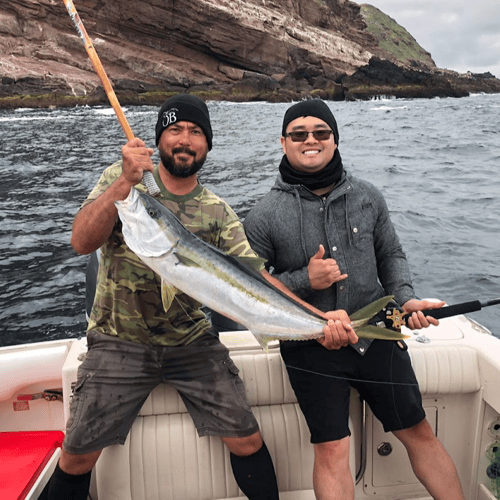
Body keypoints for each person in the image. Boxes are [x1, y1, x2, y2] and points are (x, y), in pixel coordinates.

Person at [39, 95, 353, 500]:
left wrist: (320, 320)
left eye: (196, 132)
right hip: (119, 341)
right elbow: (82, 242)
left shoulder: (217, 211)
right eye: (175, 130)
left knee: (246, 439)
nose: (185, 140)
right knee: (77, 454)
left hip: (191, 342)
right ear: (159, 140)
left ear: (207, 145)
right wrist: (123, 184)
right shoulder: (127, 188)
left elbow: (256, 277)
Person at [243, 99, 465, 500]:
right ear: (283, 142)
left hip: (376, 335)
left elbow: (391, 256)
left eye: (321, 132)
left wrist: (407, 301)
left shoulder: (369, 196)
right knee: (331, 449)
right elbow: (252, 290)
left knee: (418, 431)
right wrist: (304, 280)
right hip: (310, 345)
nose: (310, 139)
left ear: (334, 138)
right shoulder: (263, 215)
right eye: (299, 134)